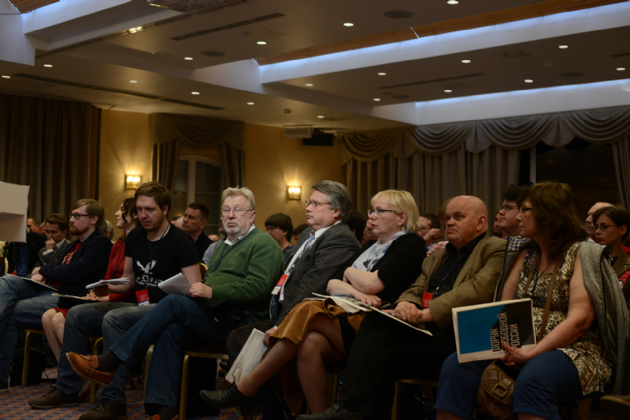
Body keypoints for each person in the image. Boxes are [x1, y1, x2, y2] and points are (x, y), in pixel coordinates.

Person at [66, 187, 285, 420]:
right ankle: (165, 410)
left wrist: (211, 290)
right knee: (170, 331)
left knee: (173, 303)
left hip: (243, 322)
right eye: (226, 210)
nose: (231, 215)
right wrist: (201, 290)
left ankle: (112, 360)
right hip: (217, 313)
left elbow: (259, 287)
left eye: (238, 210)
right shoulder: (223, 246)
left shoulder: (263, 243)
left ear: (252, 215)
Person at [202, 190, 426, 415]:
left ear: (401, 217)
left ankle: (248, 386)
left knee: (306, 309)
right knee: (309, 343)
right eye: (372, 211)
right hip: (344, 315)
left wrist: (350, 276)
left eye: (380, 211)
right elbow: (332, 285)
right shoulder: (369, 247)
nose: (372, 217)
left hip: (372, 328)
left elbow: (372, 284)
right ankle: (317, 414)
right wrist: (354, 288)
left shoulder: (410, 243)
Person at [298, 195, 506, 420]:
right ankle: (350, 410)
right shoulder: (438, 256)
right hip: (424, 330)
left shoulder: (494, 248)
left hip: (457, 333)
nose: (449, 223)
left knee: (377, 344)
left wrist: (423, 314)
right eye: (447, 218)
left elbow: (475, 291)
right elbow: (416, 287)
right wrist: (407, 303)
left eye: (458, 217)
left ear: (480, 222)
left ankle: (348, 409)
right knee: (380, 352)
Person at [433, 182, 629, 420]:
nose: (518, 217)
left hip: (575, 349)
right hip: (519, 342)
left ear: (548, 214)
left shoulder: (581, 253)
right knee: (456, 366)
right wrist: (497, 345)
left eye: (524, 210)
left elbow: (580, 321)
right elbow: (504, 310)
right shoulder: (525, 252)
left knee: (534, 378)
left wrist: (531, 353)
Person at [28, 182, 200, 420]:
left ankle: (113, 399)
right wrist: (106, 286)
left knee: (114, 318)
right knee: (78, 314)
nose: (143, 215)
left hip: (165, 309)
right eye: (139, 209)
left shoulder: (180, 241)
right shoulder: (136, 236)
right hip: (138, 305)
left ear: (165, 209)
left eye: (150, 209)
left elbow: (194, 289)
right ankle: (68, 388)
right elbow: (129, 281)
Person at [226, 180, 360, 416]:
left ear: (336, 211)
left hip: (307, 319)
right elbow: (291, 275)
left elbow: (312, 286)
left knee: (270, 346)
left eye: (316, 204)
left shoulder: (341, 239)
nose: (307, 208)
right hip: (285, 310)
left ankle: (282, 411)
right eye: (309, 202)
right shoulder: (309, 233)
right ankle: (257, 408)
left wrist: (282, 324)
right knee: (238, 337)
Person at [0, 199, 111, 393]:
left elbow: (75, 273)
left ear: (94, 219)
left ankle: (0, 381)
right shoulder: (74, 245)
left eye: (77, 216)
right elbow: (60, 269)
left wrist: (44, 269)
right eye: (71, 215)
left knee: (11, 314)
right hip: (50, 288)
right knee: (7, 280)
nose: (71, 220)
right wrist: (46, 273)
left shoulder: (100, 243)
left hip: (70, 296)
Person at [593, 206, 630, 305]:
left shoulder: (628, 265)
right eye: (596, 227)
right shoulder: (587, 261)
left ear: (622, 230)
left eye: (604, 227)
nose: (597, 232)